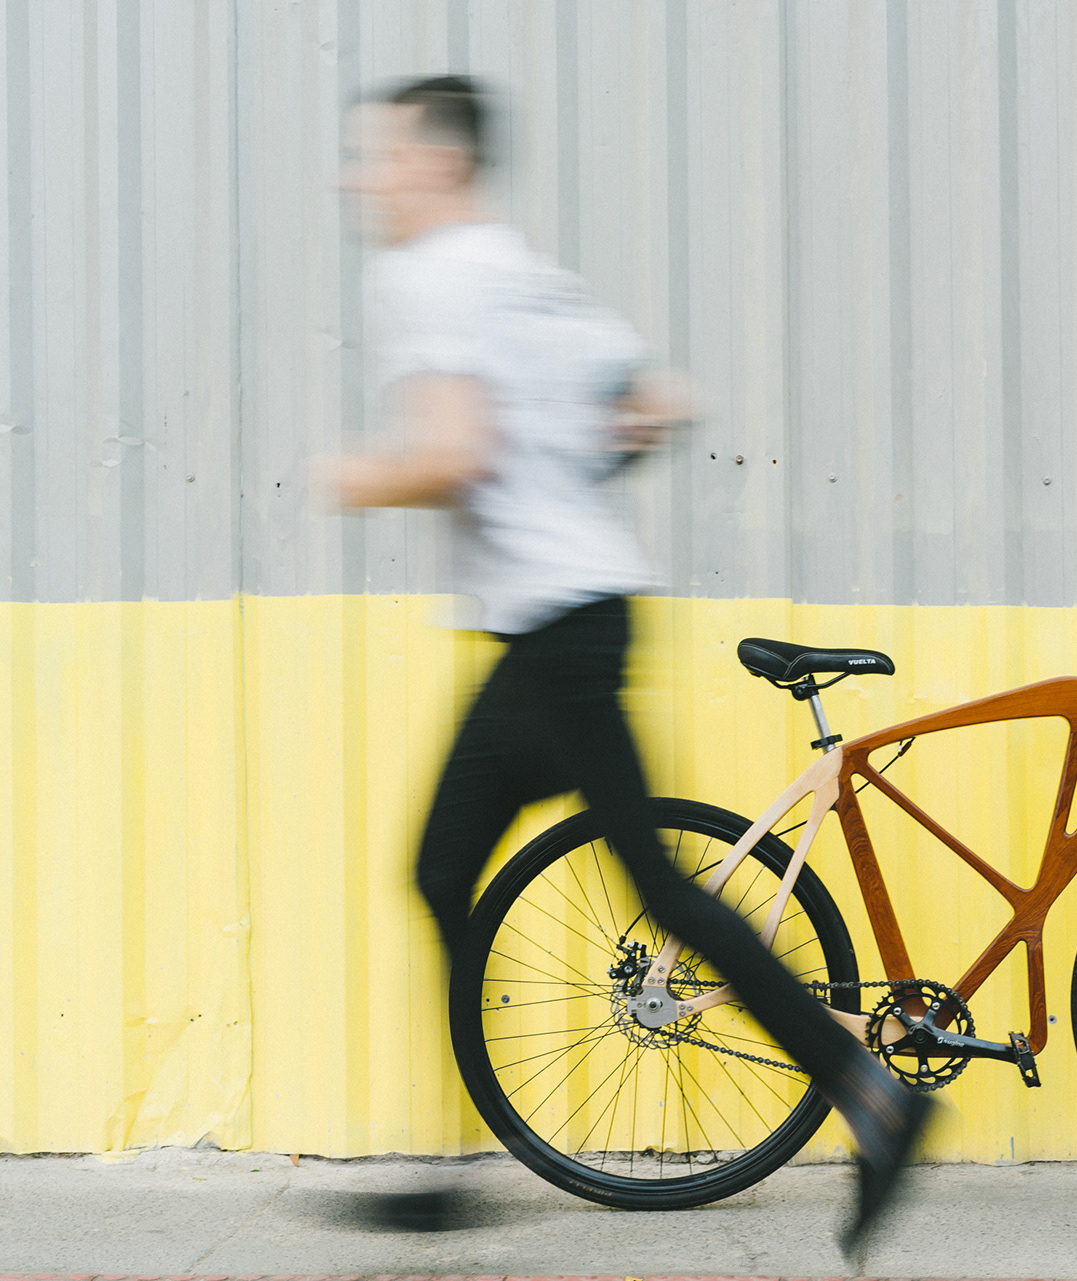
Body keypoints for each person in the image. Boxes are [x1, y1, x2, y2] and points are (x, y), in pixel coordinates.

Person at [314, 74, 929, 1253]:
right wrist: (568, 461)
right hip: (576, 620)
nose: (364, 180)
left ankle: (874, 1098)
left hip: (554, 632)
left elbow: (453, 452)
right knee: (470, 873)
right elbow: (655, 404)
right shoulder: (534, 279)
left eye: (379, 158)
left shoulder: (427, 277)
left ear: (438, 162)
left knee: (616, 883)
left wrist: (355, 477)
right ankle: (449, 1170)